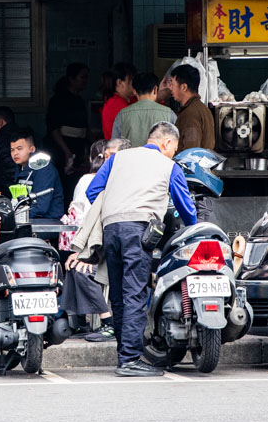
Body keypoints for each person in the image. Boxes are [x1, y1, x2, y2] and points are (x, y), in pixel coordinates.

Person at [73, 122, 196, 377]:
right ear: (167, 143)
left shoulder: (118, 158)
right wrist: (193, 229)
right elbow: (186, 207)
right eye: (175, 147)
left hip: (111, 229)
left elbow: (94, 190)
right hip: (138, 231)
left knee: (117, 294)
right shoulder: (168, 165)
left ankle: (124, 355)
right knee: (135, 294)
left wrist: (117, 205)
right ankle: (129, 360)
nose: (174, 152)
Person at [62, 138, 127, 340]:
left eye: (111, 157)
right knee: (73, 266)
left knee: (82, 269)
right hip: (100, 245)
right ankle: (78, 321)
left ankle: (108, 322)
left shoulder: (124, 183)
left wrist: (83, 254)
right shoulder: (101, 181)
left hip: (118, 246)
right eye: (105, 156)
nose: (106, 161)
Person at [46, 63, 90, 176]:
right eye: (82, 77)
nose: (85, 81)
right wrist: (67, 152)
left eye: (86, 77)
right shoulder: (57, 100)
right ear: (71, 79)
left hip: (78, 149)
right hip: (62, 149)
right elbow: (54, 129)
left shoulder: (79, 100)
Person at [112, 72, 177, 149]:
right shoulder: (169, 114)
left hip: (130, 160)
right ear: (155, 90)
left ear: (134, 91)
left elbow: (114, 146)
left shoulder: (122, 115)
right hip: (159, 160)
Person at [10, 129, 64, 219]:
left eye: (19, 149)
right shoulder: (20, 167)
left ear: (32, 149)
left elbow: (41, 206)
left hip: (47, 222)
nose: (15, 153)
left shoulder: (44, 168)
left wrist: (13, 216)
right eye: (12, 150)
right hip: (27, 219)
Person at [170, 63, 216, 152]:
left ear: (183, 87)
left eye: (172, 84)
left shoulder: (190, 113)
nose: (170, 88)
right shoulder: (202, 108)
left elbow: (191, 150)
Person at [99, 63, 137, 140]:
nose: (135, 84)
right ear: (119, 82)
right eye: (131, 81)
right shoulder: (117, 105)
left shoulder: (120, 101)